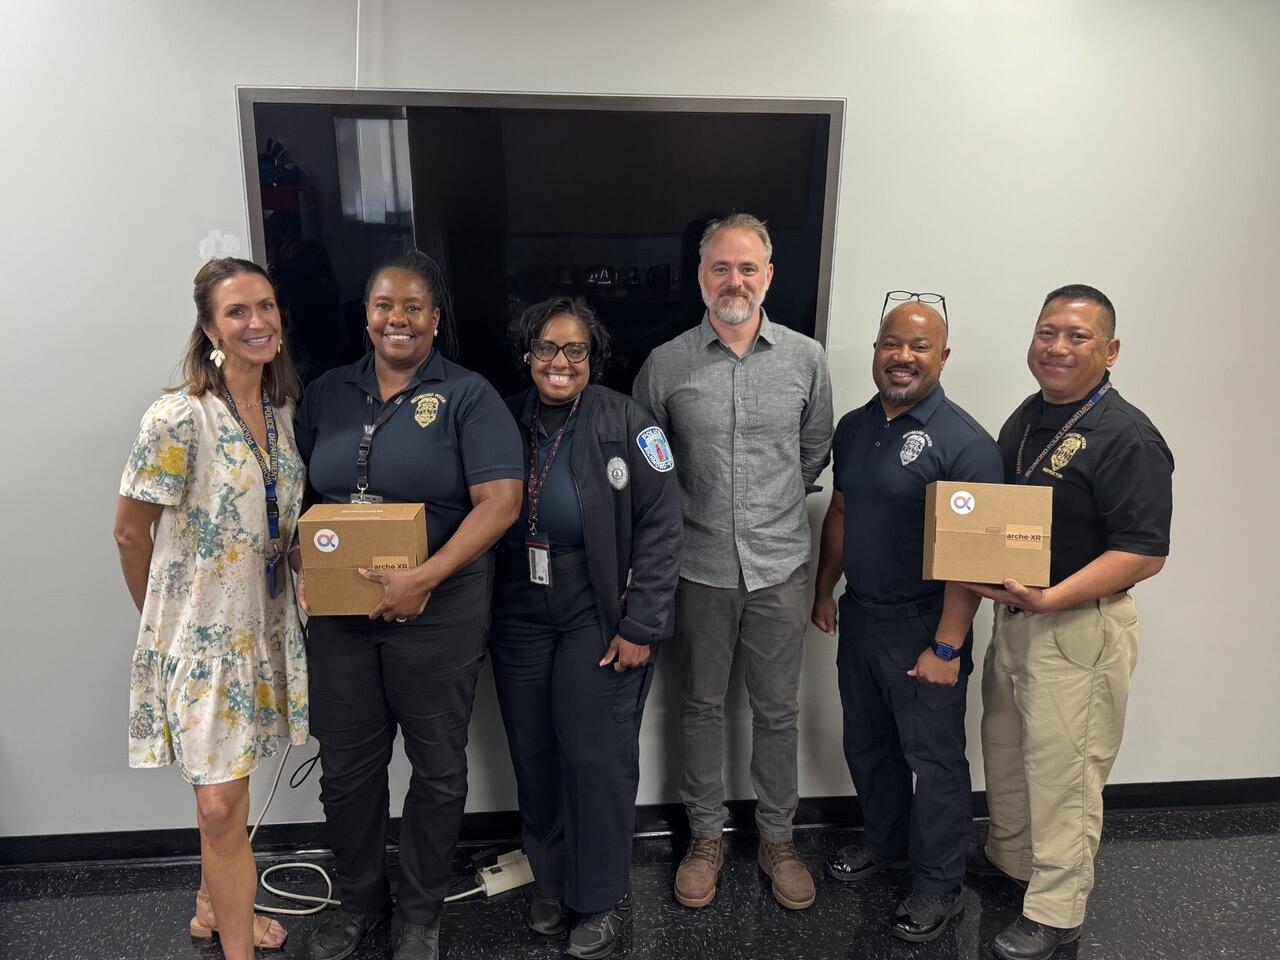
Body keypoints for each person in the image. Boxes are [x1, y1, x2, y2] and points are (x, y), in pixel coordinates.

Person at [293, 250, 523, 960]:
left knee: (437, 767)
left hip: (440, 613)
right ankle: (360, 903)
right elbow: (298, 491)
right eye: (384, 305)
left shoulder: (468, 396)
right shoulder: (327, 393)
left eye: (413, 307)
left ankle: (420, 913)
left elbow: (501, 502)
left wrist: (423, 578)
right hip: (342, 618)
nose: (398, 319)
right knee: (346, 771)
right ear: (366, 316)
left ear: (435, 318)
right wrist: (302, 558)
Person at [959, 284, 1173, 960]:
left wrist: (1052, 599)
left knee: (1064, 772)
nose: (1057, 347)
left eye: (1077, 336)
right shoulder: (1030, 415)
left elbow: (1144, 553)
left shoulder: (1128, 436)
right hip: (1019, 617)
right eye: (1047, 332)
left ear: (1110, 350)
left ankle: (1057, 911)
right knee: (1007, 750)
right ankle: (1013, 861)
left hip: (1079, 626)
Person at [633, 213, 833, 911]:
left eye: (748, 268)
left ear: (768, 276)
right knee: (700, 707)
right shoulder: (666, 364)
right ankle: (704, 839)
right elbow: (649, 465)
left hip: (780, 568)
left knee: (777, 710)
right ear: (701, 276)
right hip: (697, 569)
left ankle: (778, 840)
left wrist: (771, 508)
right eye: (721, 267)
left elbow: (813, 451)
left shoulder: (807, 359)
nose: (734, 280)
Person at [113, 258, 307, 960]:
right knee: (221, 804)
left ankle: (212, 910)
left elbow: (274, 523)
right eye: (236, 311)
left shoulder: (282, 413)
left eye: (266, 305)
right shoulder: (178, 417)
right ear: (210, 328)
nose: (257, 321)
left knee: (223, 800)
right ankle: (236, 945)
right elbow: (129, 532)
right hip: (199, 643)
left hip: (261, 630)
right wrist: (166, 629)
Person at [491, 297, 682, 959]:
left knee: (595, 756)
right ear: (528, 354)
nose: (560, 362)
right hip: (518, 605)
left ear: (592, 358)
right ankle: (550, 882)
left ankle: (597, 897)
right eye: (547, 347)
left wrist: (641, 622)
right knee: (534, 751)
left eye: (575, 350)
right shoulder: (500, 417)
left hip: (595, 606)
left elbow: (662, 526)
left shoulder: (630, 422)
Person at [811, 292, 1002, 942]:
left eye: (920, 346)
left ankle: (939, 886)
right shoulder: (854, 427)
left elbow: (973, 561)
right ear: (875, 351)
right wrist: (824, 589)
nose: (903, 355)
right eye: (892, 342)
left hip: (926, 625)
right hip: (861, 616)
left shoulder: (966, 444)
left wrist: (947, 647)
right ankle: (885, 844)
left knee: (935, 761)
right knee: (869, 745)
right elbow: (841, 511)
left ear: (942, 357)